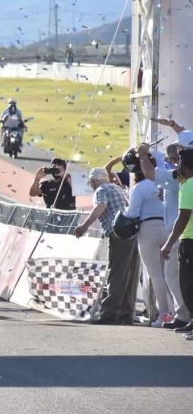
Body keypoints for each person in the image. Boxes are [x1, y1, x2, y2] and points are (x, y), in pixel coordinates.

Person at [74, 168, 139, 325]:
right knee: (130, 274)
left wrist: (84, 226)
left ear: (95, 180)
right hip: (132, 232)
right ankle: (126, 312)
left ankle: (109, 312)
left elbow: (101, 206)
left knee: (116, 273)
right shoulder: (118, 188)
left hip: (117, 232)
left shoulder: (101, 190)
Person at [120, 147, 174, 327]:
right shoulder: (165, 182)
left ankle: (165, 315)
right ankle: (176, 313)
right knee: (169, 274)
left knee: (156, 275)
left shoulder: (140, 187)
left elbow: (132, 212)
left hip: (148, 228)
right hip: (167, 226)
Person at [140, 141, 191, 329]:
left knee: (173, 273)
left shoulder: (181, 176)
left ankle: (185, 313)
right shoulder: (181, 177)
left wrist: (142, 155)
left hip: (182, 232)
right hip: (182, 231)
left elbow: (150, 173)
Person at [161, 149, 193, 340]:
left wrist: (168, 244)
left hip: (189, 240)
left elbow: (182, 218)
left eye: (180, 163)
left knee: (187, 284)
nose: (177, 167)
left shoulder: (188, 186)